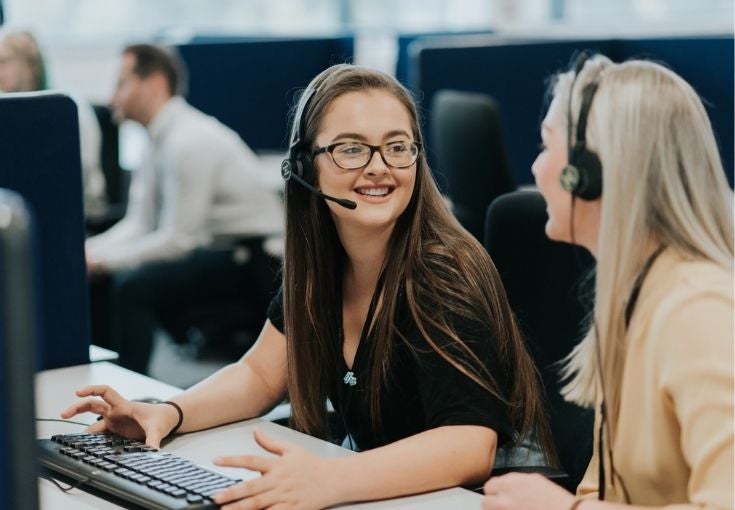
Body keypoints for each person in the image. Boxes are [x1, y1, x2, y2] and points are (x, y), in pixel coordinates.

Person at [63, 63, 555, 508]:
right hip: (383, 490)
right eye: (351, 149)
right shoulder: (323, 264)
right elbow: (260, 375)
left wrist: (330, 479)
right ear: (306, 167)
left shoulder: (444, 274)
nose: (379, 166)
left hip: (476, 498)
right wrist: (168, 413)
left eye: (398, 146)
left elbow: (469, 444)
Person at [483, 54, 734, 509]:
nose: (535, 171)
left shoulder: (699, 310)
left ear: (589, 173)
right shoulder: (633, 295)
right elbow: (606, 488)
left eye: (546, 146)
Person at [86, 44, 284, 373]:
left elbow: (179, 241)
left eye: (121, 83)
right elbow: (140, 223)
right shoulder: (156, 141)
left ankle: (130, 388)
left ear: (154, 84)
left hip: (254, 260)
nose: (112, 98)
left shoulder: (189, 140)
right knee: (101, 279)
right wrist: (89, 253)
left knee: (132, 286)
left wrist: (103, 261)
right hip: (216, 249)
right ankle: (101, 376)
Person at [0, 29, 107, 218]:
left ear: (30, 65)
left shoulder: (68, 106)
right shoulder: (8, 112)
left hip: (75, 215)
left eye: (3, 62)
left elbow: (77, 176)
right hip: (21, 214)